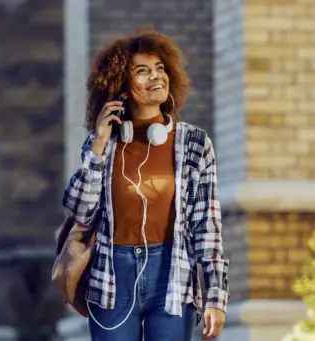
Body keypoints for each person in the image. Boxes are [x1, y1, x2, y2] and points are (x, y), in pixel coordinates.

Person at [63, 27, 229, 341]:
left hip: (172, 274)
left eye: (160, 69)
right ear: (122, 87)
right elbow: (80, 211)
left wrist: (216, 296)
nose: (156, 77)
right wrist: (97, 148)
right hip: (112, 276)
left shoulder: (194, 144)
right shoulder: (103, 143)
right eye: (142, 71)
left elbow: (207, 227)